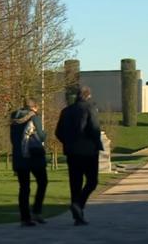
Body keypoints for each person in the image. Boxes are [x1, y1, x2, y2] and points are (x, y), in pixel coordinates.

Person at [55, 86, 103, 226]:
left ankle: (77, 215)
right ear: (88, 96)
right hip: (88, 152)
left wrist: (68, 143)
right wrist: (96, 144)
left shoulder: (66, 111)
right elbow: (94, 129)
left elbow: (58, 132)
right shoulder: (90, 108)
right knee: (92, 181)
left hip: (72, 152)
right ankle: (78, 204)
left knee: (75, 184)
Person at [10, 98, 48, 227]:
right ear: (34, 107)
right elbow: (42, 136)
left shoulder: (14, 119)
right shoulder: (34, 117)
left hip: (19, 157)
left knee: (24, 188)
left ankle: (25, 218)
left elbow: (13, 140)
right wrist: (43, 134)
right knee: (42, 182)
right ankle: (37, 211)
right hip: (34, 156)